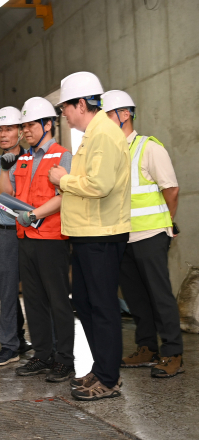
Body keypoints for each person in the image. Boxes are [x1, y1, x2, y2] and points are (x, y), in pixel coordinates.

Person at [49, 72, 131, 401]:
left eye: (65, 108)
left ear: (81, 104)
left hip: (102, 235)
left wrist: (63, 179)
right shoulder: (91, 135)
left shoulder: (105, 135)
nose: (64, 115)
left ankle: (109, 379)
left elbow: (98, 185)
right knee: (84, 302)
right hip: (87, 234)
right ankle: (102, 367)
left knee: (103, 306)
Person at [102, 90, 184, 378]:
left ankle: (173, 352)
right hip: (123, 237)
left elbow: (170, 189)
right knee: (136, 299)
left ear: (125, 114)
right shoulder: (111, 153)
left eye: (107, 115)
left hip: (150, 234)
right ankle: (147, 348)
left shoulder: (149, 148)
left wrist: (167, 222)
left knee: (160, 296)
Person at [0, 97, 75, 383]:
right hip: (26, 238)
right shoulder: (24, 158)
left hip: (52, 239)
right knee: (33, 301)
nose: (25, 130)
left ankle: (65, 360)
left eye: (30, 125)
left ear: (47, 125)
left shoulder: (62, 155)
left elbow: (64, 195)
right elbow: (7, 194)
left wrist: (34, 215)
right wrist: (6, 168)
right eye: (24, 125)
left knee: (58, 301)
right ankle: (42, 355)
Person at [0, 107, 32, 367]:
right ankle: (9, 346)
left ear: (21, 132)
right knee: (8, 293)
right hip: (6, 235)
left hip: (35, 233)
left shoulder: (35, 159)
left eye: (8, 129)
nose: (3, 135)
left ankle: (50, 345)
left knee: (39, 292)